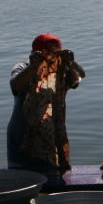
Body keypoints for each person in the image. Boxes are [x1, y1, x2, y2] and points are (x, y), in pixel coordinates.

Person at [7, 33, 85, 177]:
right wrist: (33, 67)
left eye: (55, 54)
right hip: (23, 135)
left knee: (53, 179)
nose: (50, 59)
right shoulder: (22, 67)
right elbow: (15, 86)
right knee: (21, 178)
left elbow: (77, 80)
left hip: (51, 135)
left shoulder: (63, 70)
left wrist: (71, 63)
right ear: (35, 53)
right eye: (46, 55)